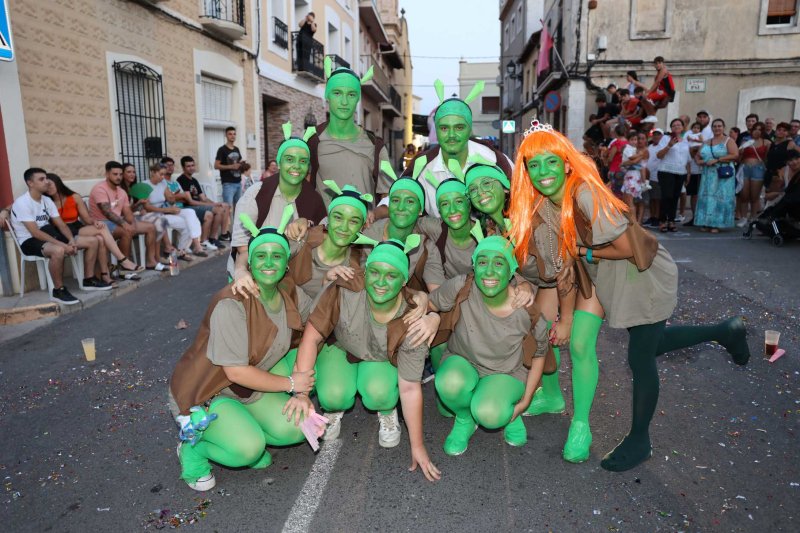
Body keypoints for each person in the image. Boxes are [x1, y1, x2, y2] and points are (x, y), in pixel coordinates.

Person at [508, 120, 750, 472]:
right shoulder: (545, 206)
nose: (542, 171)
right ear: (526, 171)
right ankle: (581, 426)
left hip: (641, 275)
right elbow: (564, 263)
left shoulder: (585, 194)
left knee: (642, 356)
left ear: (565, 162)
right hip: (599, 278)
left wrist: (585, 253)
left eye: (550, 161)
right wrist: (568, 311)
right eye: (534, 164)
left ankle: (640, 440)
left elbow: (623, 247)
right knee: (581, 344)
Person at [168, 208, 316, 491]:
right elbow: (235, 372)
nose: (269, 263)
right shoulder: (232, 303)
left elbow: (323, 320)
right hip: (205, 392)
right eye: (261, 256)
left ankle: (242, 427)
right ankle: (194, 451)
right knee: (246, 449)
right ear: (251, 263)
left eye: (277, 256)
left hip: (243, 388)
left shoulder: (289, 293)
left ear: (287, 263)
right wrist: (291, 382)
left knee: (298, 426)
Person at [283, 236, 442, 482]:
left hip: (380, 357)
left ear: (403, 282)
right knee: (333, 395)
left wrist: (418, 446)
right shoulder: (344, 288)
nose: (380, 282)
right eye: (374, 272)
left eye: (391, 276)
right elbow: (311, 338)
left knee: (379, 394)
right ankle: (334, 409)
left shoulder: (413, 320)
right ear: (365, 273)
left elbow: (410, 388)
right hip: (342, 345)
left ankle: (387, 411)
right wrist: (301, 393)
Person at [428, 232, 551, 455]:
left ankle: (510, 413)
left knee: (489, 413)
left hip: (506, 373)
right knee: (448, 382)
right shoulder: (461, 287)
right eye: (483, 262)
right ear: (474, 267)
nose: (490, 271)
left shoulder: (527, 312)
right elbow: (429, 302)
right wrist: (431, 315)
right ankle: (464, 419)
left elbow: (540, 354)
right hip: (464, 361)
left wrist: (524, 401)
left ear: (511, 270)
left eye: (499, 263)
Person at [395, 79, 512, 218]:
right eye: (444, 128)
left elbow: (522, 194)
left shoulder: (494, 159)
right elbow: (397, 197)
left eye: (459, 127)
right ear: (436, 131)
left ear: (469, 130)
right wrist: (376, 213)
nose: (451, 135)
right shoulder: (422, 165)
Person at [229, 122, 327, 283]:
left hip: (295, 274)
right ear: (279, 163)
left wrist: (307, 222)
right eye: (290, 159)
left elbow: (323, 237)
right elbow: (243, 248)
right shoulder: (256, 194)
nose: (296, 166)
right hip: (256, 268)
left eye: (302, 161)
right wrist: (240, 271)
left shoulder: (314, 199)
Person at [9, 168, 109, 302]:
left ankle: (89, 279)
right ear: (30, 183)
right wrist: (63, 244)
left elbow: (61, 224)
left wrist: (70, 240)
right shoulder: (23, 203)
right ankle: (59, 290)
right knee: (59, 250)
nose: (46, 182)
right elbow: (35, 232)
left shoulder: (46, 200)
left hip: (48, 233)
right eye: (41, 179)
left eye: (46, 178)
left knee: (93, 241)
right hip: (29, 240)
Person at [306, 58, 392, 208]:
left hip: (365, 229)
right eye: (337, 93)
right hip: (324, 229)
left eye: (351, 94)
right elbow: (300, 191)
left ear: (358, 97)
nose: (344, 102)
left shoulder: (375, 145)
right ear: (327, 95)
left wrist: (374, 215)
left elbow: (388, 198)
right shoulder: (312, 142)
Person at [46, 172, 143, 286]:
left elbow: (86, 218)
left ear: (57, 183)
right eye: (45, 186)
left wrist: (94, 222)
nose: (47, 188)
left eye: (50, 185)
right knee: (102, 230)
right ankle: (122, 260)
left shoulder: (74, 197)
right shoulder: (46, 201)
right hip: (60, 231)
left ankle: (105, 275)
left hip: (75, 226)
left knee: (100, 236)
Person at [363, 162, 445, 292]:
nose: (401, 207)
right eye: (395, 200)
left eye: (410, 201)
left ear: (420, 210)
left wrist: (424, 299)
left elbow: (438, 295)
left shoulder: (425, 248)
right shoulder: (367, 234)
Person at [89, 161, 165, 271]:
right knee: (127, 231)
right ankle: (125, 267)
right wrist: (125, 224)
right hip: (102, 223)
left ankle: (150, 261)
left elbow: (127, 212)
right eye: (115, 174)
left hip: (118, 221)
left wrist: (132, 223)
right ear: (107, 174)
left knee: (150, 227)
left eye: (120, 174)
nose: (118, 177)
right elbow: (107, 213)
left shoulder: (121, 192)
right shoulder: (100, 189)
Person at [144, 163, 208, 260]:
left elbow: (170, 199)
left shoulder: (163, 183)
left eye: (164, 175)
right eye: (161, 174)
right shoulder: (145, 184)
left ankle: (182, 250)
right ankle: (176, 249)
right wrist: (167, 209)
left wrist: (173, 198)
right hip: (153, 215)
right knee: (186, 219)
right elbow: (147, 207)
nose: (163, 177)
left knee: (189, 216)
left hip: (164, 213)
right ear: (153, 172)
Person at [694, 118, 739, 233]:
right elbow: (697, 156)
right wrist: (701, 162)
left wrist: (717, 160)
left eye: (719, 126)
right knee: (707, 197)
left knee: (720, 198)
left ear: (724, 128)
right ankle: (706, 222)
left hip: (722, 174)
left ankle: (716, 224)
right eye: (715, 126)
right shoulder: (706, 141)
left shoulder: (728, 140)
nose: (717, 128)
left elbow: (735, 155)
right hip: (708, 174)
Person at [178, 156, 230, 249]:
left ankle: (218, 236)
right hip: (189, 207)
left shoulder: (194, 180)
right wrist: (212, 205)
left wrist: (216, 203)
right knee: (218, 211)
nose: (191, 168)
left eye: (193, 165)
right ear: (183, 168)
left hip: (198, 206)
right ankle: (209, 239)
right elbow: (191, 201)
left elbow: (203, 198)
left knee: (224, 207)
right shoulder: (182, 180)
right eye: (188, 166)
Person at [656, 118, 693, 232]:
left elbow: (687, 160)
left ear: (683, 127)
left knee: (675, 197)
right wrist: (669, 146)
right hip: (666, 171)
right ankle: (662, 221)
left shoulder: (686, 141)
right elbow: (659, 155)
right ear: (671, 128)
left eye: (679, 125)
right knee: (666, 196)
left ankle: (671, 221)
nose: (676, 126)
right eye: (674, 125)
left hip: (681, 172)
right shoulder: (665, 138)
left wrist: (688, 173)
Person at [738, 121, 770, 223]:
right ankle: (743, 217)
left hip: (758, 169)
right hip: (744, 168)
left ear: (763, 131)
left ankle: (753, 218)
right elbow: (739, 159)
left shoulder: (767, 142)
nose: (757, 131)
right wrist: (740, 153)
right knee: (744, 195)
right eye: (755, 129)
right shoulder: (745, 142)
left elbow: (766, 159)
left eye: (760, 130)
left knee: (754, 196)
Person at [765, 122, 799, 190]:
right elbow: (766, 158)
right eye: (779, 129)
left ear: (788, 133)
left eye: (784, 130)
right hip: (768, 173)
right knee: (767, 195)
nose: (781, 132)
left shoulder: (790, 143)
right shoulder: (770, 144)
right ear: (775, 131)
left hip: (781, 176)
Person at [643, 128, 664, 227]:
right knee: (652, 198)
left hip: (658, 175)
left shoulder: (662, 146)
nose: (656, 136)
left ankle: (657, 217)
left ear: (661, 136)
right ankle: (652, 217)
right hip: (649, 176)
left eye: (658, 134)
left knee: (657, 198)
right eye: (654, 134)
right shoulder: (649, 146)